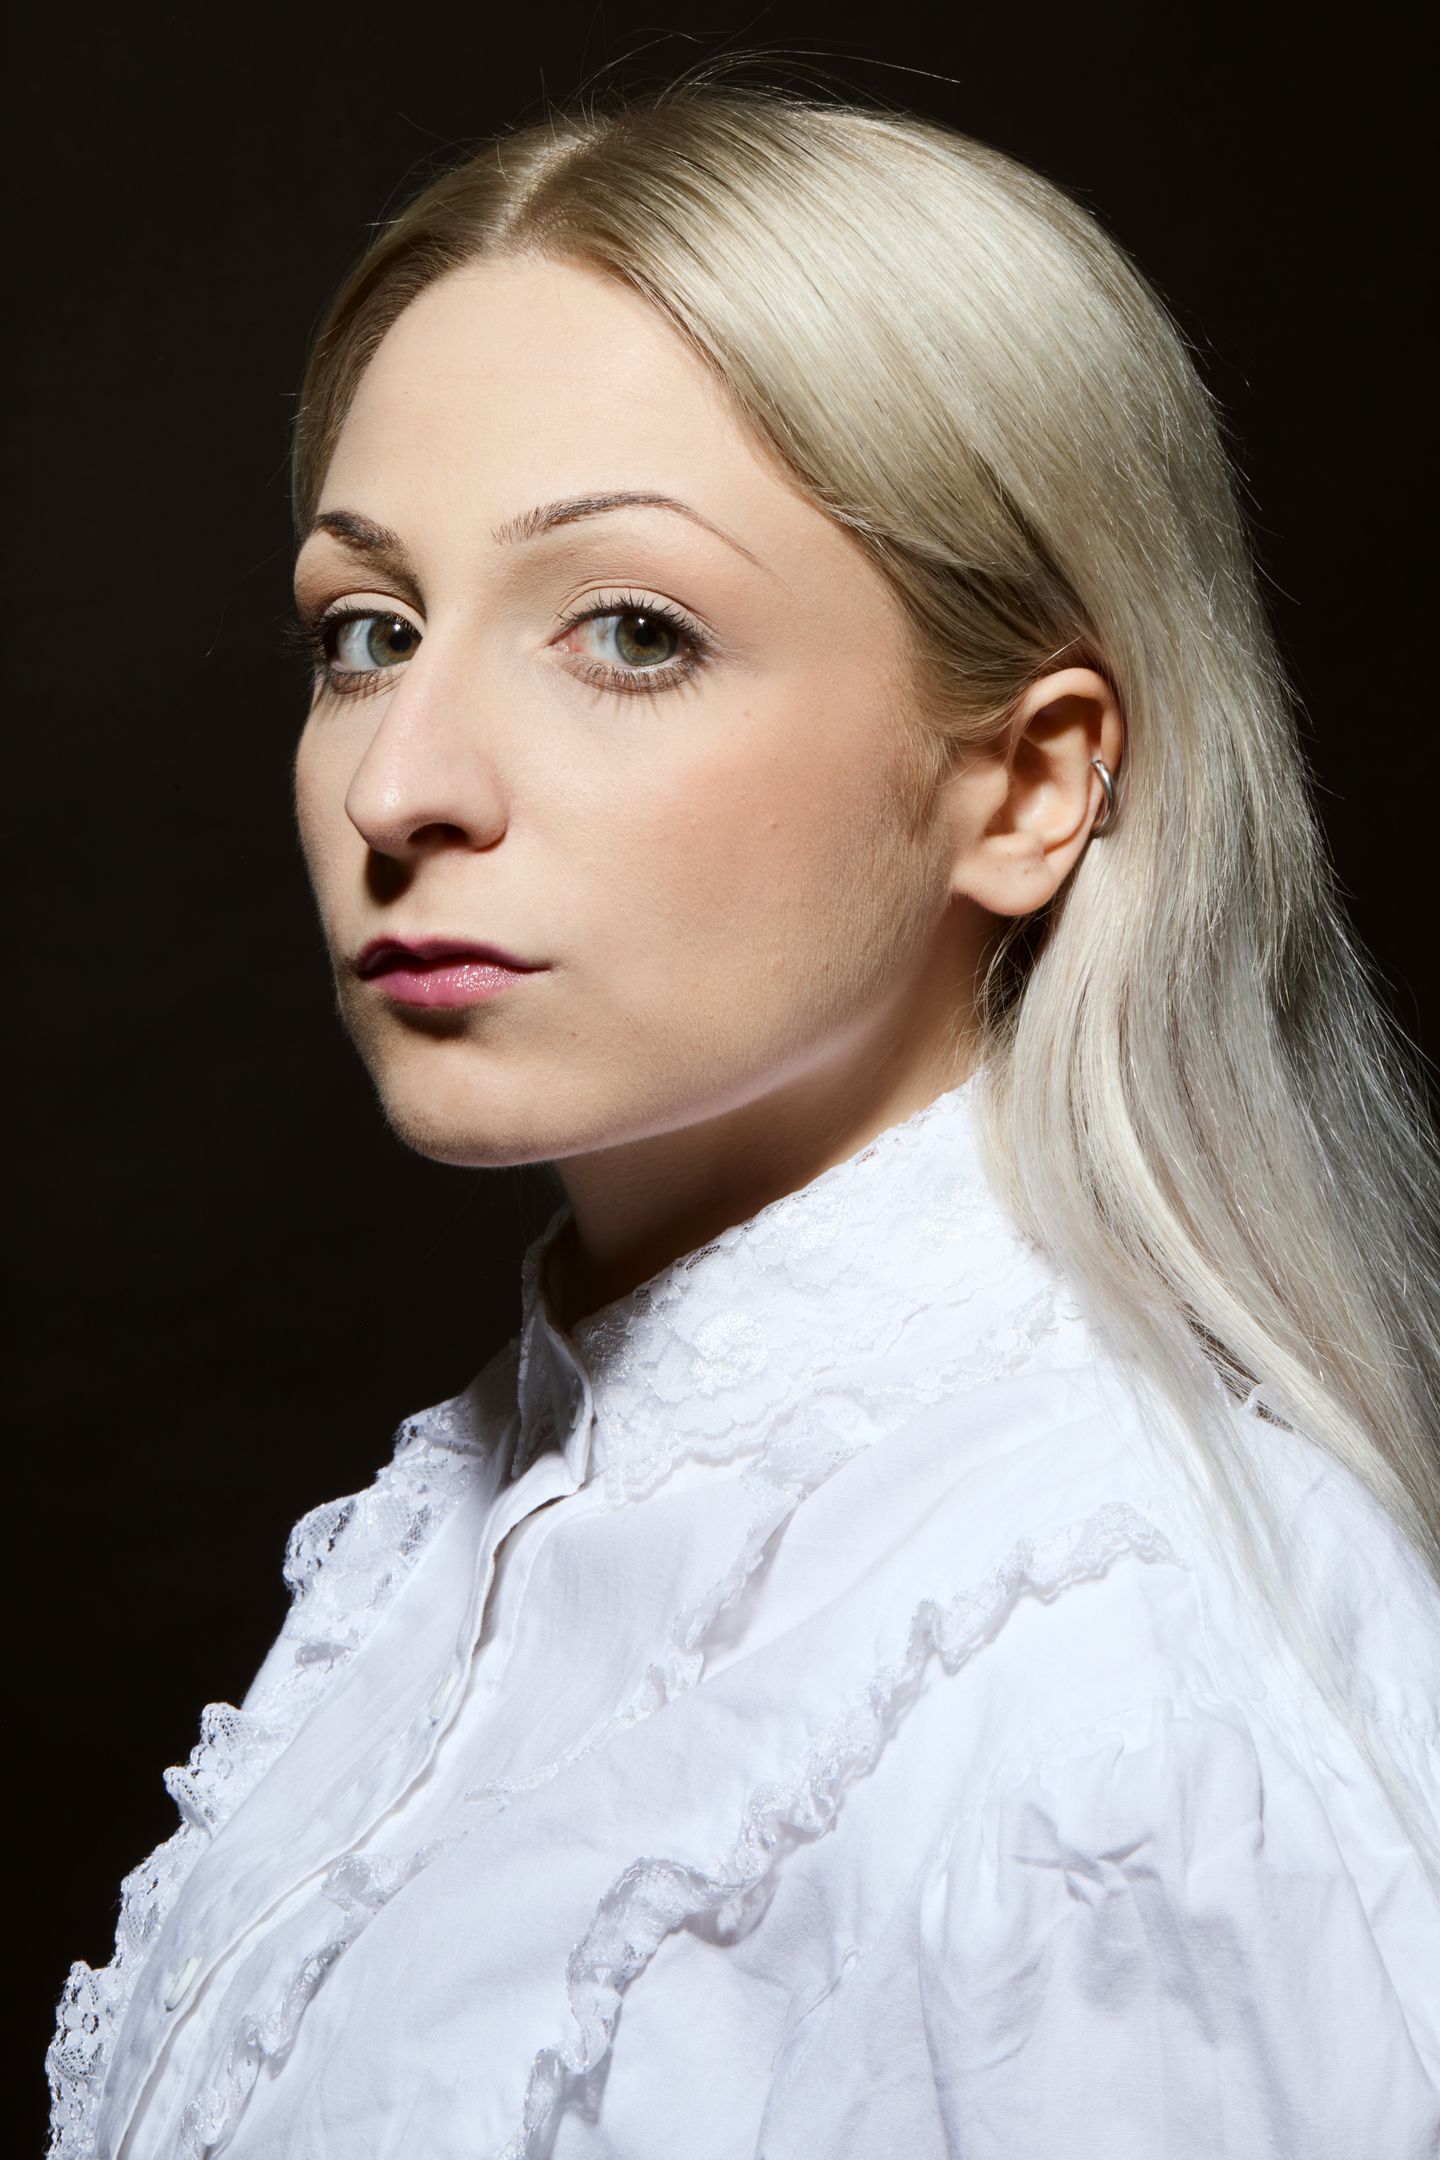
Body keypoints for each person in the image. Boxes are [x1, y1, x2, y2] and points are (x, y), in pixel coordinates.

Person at [47, 70, 1439, 2160]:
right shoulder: (492, 1514)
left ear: (1026, 782)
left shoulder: (1113, 1679)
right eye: (368, 631)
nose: (400, 784)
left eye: (631, 632)